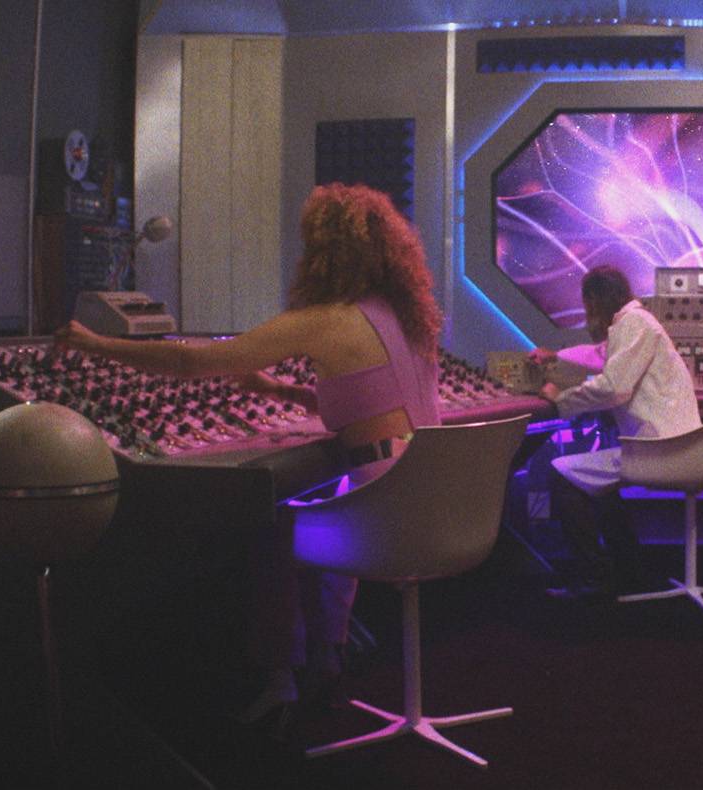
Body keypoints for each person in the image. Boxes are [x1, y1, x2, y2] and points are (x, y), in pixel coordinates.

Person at [55, 182, 442, 721]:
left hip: (389, 515)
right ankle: (329, 652)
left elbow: (194, 363)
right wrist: (278, 390)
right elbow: (371, 397)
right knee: (320, 499)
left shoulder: (326, 319)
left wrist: (97, 345)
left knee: (274, 524)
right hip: (431, 495)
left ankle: (279, 676)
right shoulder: (404, 317)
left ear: (323, 250)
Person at [530, 266, 700, 600]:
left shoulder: (634, 323)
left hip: (660, 450)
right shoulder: (634, 322)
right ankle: (629, 571)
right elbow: (603, 354)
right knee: (594, 482)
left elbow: (613, 388)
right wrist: (557, 356)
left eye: (587, 305)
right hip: (668, 446)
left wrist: (560, 399)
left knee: (562, 475)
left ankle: (594, 580)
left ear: (594, 300)